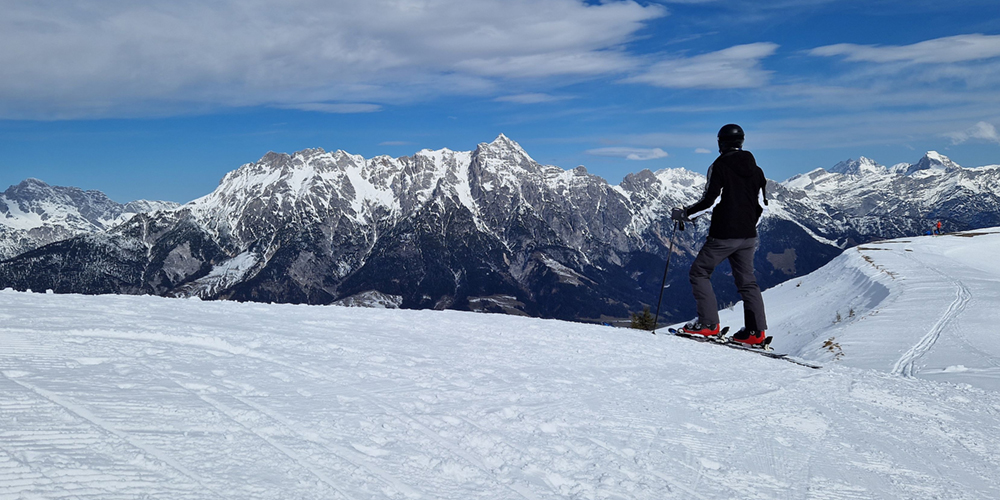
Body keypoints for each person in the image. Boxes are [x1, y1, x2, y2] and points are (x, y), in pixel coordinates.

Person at [671, 124, 769, 345]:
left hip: (724, 235)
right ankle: (755, 333)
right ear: (742, 142)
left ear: (720, 143)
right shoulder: (757, 169)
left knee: (699, 272)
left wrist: (685, 214)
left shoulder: (719, 165)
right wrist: (749, 225)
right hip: (748, 236)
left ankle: (708, 325)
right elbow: (763, 203)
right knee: (747, 282)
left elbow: (711, 201)